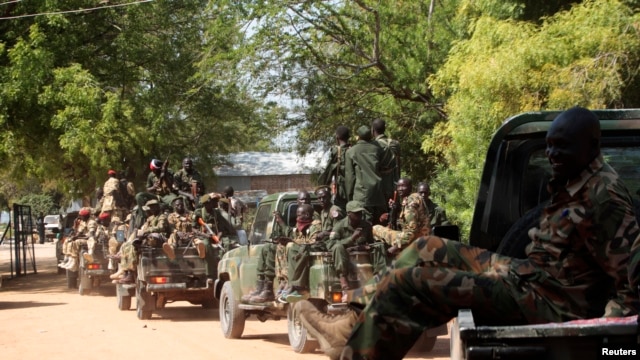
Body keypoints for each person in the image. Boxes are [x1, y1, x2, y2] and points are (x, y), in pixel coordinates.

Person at [298, 106, 640, 360]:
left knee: (412, 282)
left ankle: (355, 354)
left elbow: (632, 283)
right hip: (531, 278)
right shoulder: (575, 179)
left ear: (592, 145)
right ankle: (348, 325)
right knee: (425, 247)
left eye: (561, 147)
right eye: (549, 146)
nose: (552, 155)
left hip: (552, 303)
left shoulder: (604, 196)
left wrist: (603, 339)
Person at [111, 199, 171, 284]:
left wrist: (146, 231)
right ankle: (126, 272)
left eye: (154, 207)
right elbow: (144, 227)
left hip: (158, 239)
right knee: (127, 246)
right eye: (151, 208)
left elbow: (161, 227)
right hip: (148, 237)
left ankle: (130, 273)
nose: (152, 210)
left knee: (132, 247)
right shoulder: (151, 218)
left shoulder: (161, 217)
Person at [324, 200, 374, 290]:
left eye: (360, 212)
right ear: (349, 214)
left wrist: (365, 247)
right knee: (338, 247)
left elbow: (371, 242)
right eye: (356, 213)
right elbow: (330, 245)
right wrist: (352, 239)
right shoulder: (339, 226)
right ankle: (342, 277)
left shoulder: (366, 226)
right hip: (343, 259)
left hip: (362, 261)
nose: (360, 215)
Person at [373, 178, 430, 256]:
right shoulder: (412, 198)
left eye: (403, 186)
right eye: (399, 186)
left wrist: (395, 247)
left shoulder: (411, 201)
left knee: (375, 229)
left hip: (416, 240)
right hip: (422, 238)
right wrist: (396, 209)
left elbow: (411, 231)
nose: (400, 189)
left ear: (410, 187)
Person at [280, 203, 323, 302]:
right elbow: (298, 239)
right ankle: (287, 282)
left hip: (315, 248)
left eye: (299, 215)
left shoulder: (315, 225)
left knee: (301, 250)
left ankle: (298, 287)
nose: (297, 217)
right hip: (305, 247)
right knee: (288, 247)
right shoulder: (300, 225)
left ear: (307, 215)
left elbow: (313, 242)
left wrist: (294, 242)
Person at [344, 125, 386, 223]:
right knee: (380, 223)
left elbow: (350, 177)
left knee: (364, 225)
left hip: (361, 194)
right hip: (379, 192)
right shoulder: (377, 149)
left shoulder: (351, 151)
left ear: (358, 136)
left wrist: (350, 198)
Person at [192, 193, 236, 278]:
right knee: (206, 246)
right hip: (204, 236)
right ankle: (209, 273)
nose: (213, 204)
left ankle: (224, 269)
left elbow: (222, 228)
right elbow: (193, 228)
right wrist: (204, 234)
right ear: (206, 204)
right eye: (211, 203)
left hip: (216, 235)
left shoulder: (216, 212)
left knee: (227, 243)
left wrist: (218, 236)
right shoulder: (199, 212)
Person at [319, 126, 352, 210]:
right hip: (354, 190)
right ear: (348, 137)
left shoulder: (335, 151)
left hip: (341, 191)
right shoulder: (353, 150)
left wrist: (323, 185)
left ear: (337, 137)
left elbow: (328, 171)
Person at [371, 119, 400, 202]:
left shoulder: (373, 145)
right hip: (393, 180)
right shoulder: (395, 143)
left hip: (380, 181)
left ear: (372, 130)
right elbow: (398, 164)